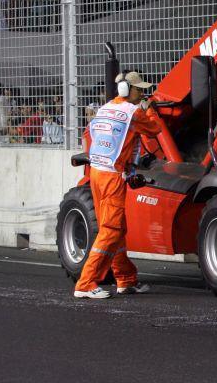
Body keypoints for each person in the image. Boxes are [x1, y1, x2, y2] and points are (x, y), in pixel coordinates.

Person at [74, 71, 162, 299]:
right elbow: (155, 129)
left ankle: (125, 279)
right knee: (111, 231)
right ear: (125, 90)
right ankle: (85, 283)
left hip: (97, 173)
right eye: (138, 89)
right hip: (112, 176)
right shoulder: (132, 112)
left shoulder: (104, 109)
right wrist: (149, 108)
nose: (142, 93)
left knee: (117, 229)